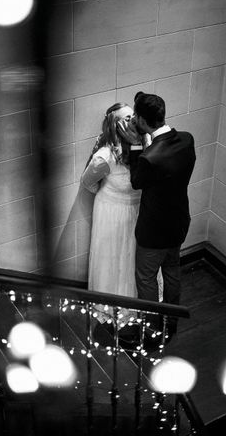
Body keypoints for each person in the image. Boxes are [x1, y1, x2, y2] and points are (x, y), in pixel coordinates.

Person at [118, 92, 196, 336]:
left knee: (146, 278)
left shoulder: (149, 157)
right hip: (179, 223)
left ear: (141, 120)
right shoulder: (187, 139)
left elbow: (136, 182)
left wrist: (135, 145)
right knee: (172, 271)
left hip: (154, 231)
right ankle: (170, 321)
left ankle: (151, 327)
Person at [81, 103, 156, 324]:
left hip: (138, 209)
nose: (132, 121)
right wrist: (110, 193)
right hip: (111, 212)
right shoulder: (105, 156)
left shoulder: (147, 144)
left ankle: (139, 304)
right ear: (114, 126)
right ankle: (112, 306)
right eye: (125, 119)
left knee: (134, 257)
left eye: (133, 116)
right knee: (113, 257)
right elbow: (88, 183)